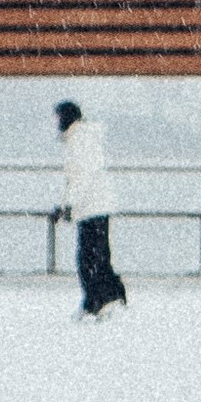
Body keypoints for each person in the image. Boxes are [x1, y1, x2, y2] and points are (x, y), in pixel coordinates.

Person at [55, 100, 129, 317]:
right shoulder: (82, 138)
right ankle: (103, 298)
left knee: (91, 257)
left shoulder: (79, 140)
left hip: (92, 206)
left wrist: (68, 204)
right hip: (94, 205)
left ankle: (101, 300)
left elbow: (81, 177)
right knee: (96, 255)